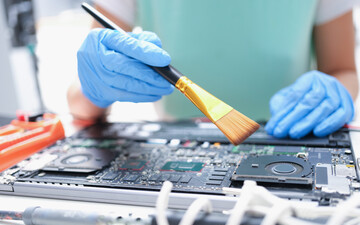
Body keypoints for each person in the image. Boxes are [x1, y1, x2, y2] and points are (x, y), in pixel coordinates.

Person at [67, 0, 359, 139]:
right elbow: (79, 102)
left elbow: (343, 69)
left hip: (292, 137)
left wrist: (335, 92)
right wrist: (96, 86)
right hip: (175, 146)